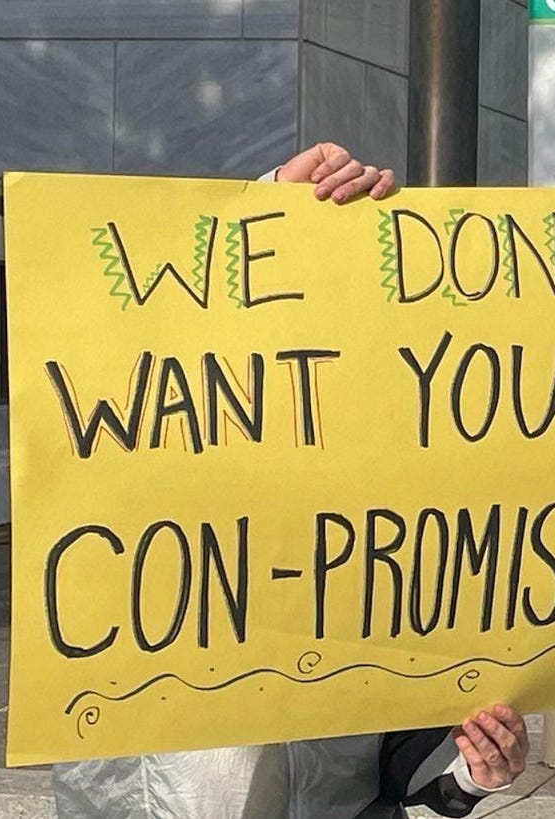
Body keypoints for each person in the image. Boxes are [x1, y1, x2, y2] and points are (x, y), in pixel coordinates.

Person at [53, 143, 530, 819]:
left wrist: (476, 764)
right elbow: (136, 331)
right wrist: (271, 204)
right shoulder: (143, 474)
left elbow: (414, 761)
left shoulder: (390, 522)